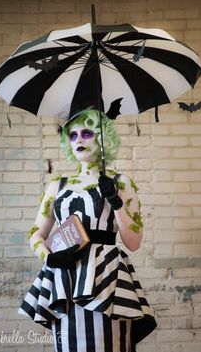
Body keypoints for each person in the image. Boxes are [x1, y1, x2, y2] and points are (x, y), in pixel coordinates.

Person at [19, 109, 156, 352]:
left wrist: (115, 201)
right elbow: (35, 234)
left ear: (103, 139)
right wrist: (49, 256)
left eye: (87, 133)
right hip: (65, 276)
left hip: (108, 276)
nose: (79, 140)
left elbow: (133, 242)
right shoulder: (57, 187)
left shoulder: (120, 182)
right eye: (72, 136)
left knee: (111, 344)